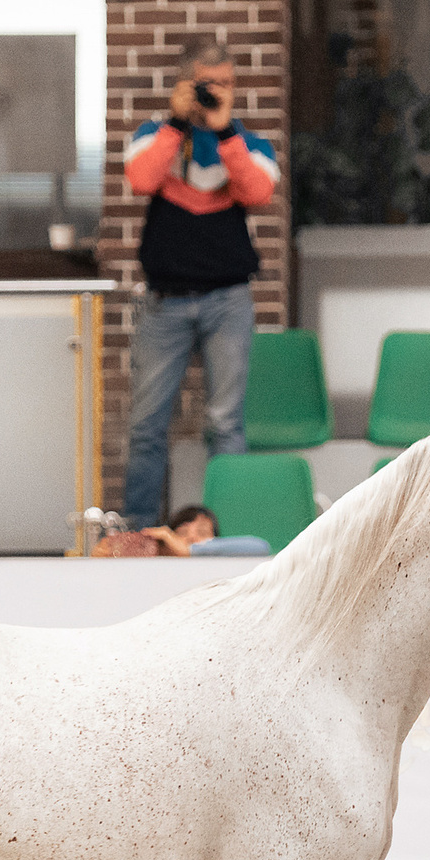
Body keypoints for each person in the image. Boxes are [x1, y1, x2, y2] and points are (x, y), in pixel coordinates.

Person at [119, 42, 281, 529]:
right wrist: (176, 122)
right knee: (147, 427)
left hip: (227, 300)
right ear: (185, 84)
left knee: (225, 424)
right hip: (164, 302)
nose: (218, 92)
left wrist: (224, 129)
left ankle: (227, 533)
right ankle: (139, 532)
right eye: (208, 84)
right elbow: (142, 180)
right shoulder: (152, 136)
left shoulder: (251, 145)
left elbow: (257, 193)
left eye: (227, 84)